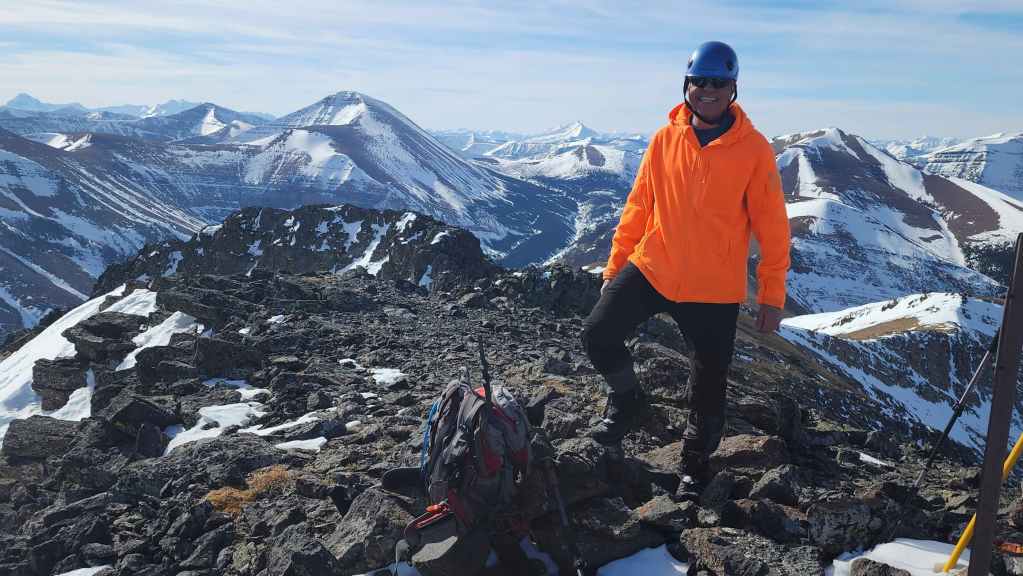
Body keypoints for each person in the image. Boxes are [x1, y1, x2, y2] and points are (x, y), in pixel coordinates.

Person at [580, 40, 791, 496]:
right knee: (598, 334)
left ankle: (694, 466)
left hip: (712, 287)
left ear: (733, 89)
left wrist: (772, 295)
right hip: (653, 267)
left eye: (718, 82)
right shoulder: (664, 139)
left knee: (708, 385)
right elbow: (639, 206)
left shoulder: (754, 149)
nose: (708, 90)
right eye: (700, 81)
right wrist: (615, 267)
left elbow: (773, 226)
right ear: (687, 85)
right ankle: (628, 400)